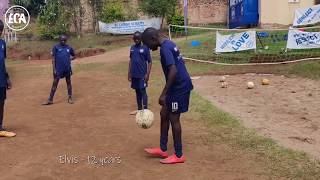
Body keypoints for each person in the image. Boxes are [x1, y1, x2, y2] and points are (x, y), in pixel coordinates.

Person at [142, 27, 193, 164]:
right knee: (164, 113)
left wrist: (164, 94)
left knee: (173, 118)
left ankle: (179, 155)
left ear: (153, 39)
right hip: (176, 86)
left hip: (179, 87)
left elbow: (173, 71)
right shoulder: (169, 43)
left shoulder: (164, 49)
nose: (148, 48)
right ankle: (163, 149)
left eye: (147, 44)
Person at [43, 35, 75, 105]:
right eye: (62, 40)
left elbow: (74, 55)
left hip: (67, 69)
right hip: (58, 69)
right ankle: (50, 99)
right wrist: (54, 69)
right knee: (55, 83)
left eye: (64, 40)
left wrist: (70, 59)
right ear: (59, 40)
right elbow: (53, 59)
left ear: (66, 40)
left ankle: (70, 97)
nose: (63, 41)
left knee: (68, 83)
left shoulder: (69, 48)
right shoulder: (56, 47)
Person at [128, 31, 152, 115]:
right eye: (135, 39)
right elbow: (131, 61)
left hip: (142, 74)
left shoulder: (145, 48)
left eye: (138, 38)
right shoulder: (132, 48)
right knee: (137, 91)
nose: (136, 40)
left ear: (141, 39)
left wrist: (147, 74)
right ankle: (139, 109)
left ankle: (145, 110)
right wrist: (129, 73)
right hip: (134, 74)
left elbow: (149, 62)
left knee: (143, 90)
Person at [0, 20, 16, 137]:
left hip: (1, 80)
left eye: (1, 30)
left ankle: (0, 127)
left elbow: (2, 62)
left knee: (1, 103)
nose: (0, 32)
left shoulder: (2, 43)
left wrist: (7, 77)